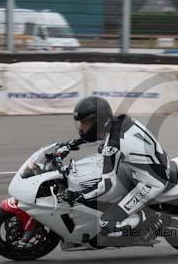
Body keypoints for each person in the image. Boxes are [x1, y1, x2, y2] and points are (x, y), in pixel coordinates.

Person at [57, 96, 170, 245]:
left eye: (85, 123)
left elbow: (106, 186)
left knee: (105, 223)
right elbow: (96, 136)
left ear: (98, 121)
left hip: (152, 181)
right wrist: (68, 146)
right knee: (100, 155)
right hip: (141, 167)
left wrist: (78, 196)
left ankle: (149, 224)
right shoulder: (117, 123)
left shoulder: (114, 145)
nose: (81, 127)